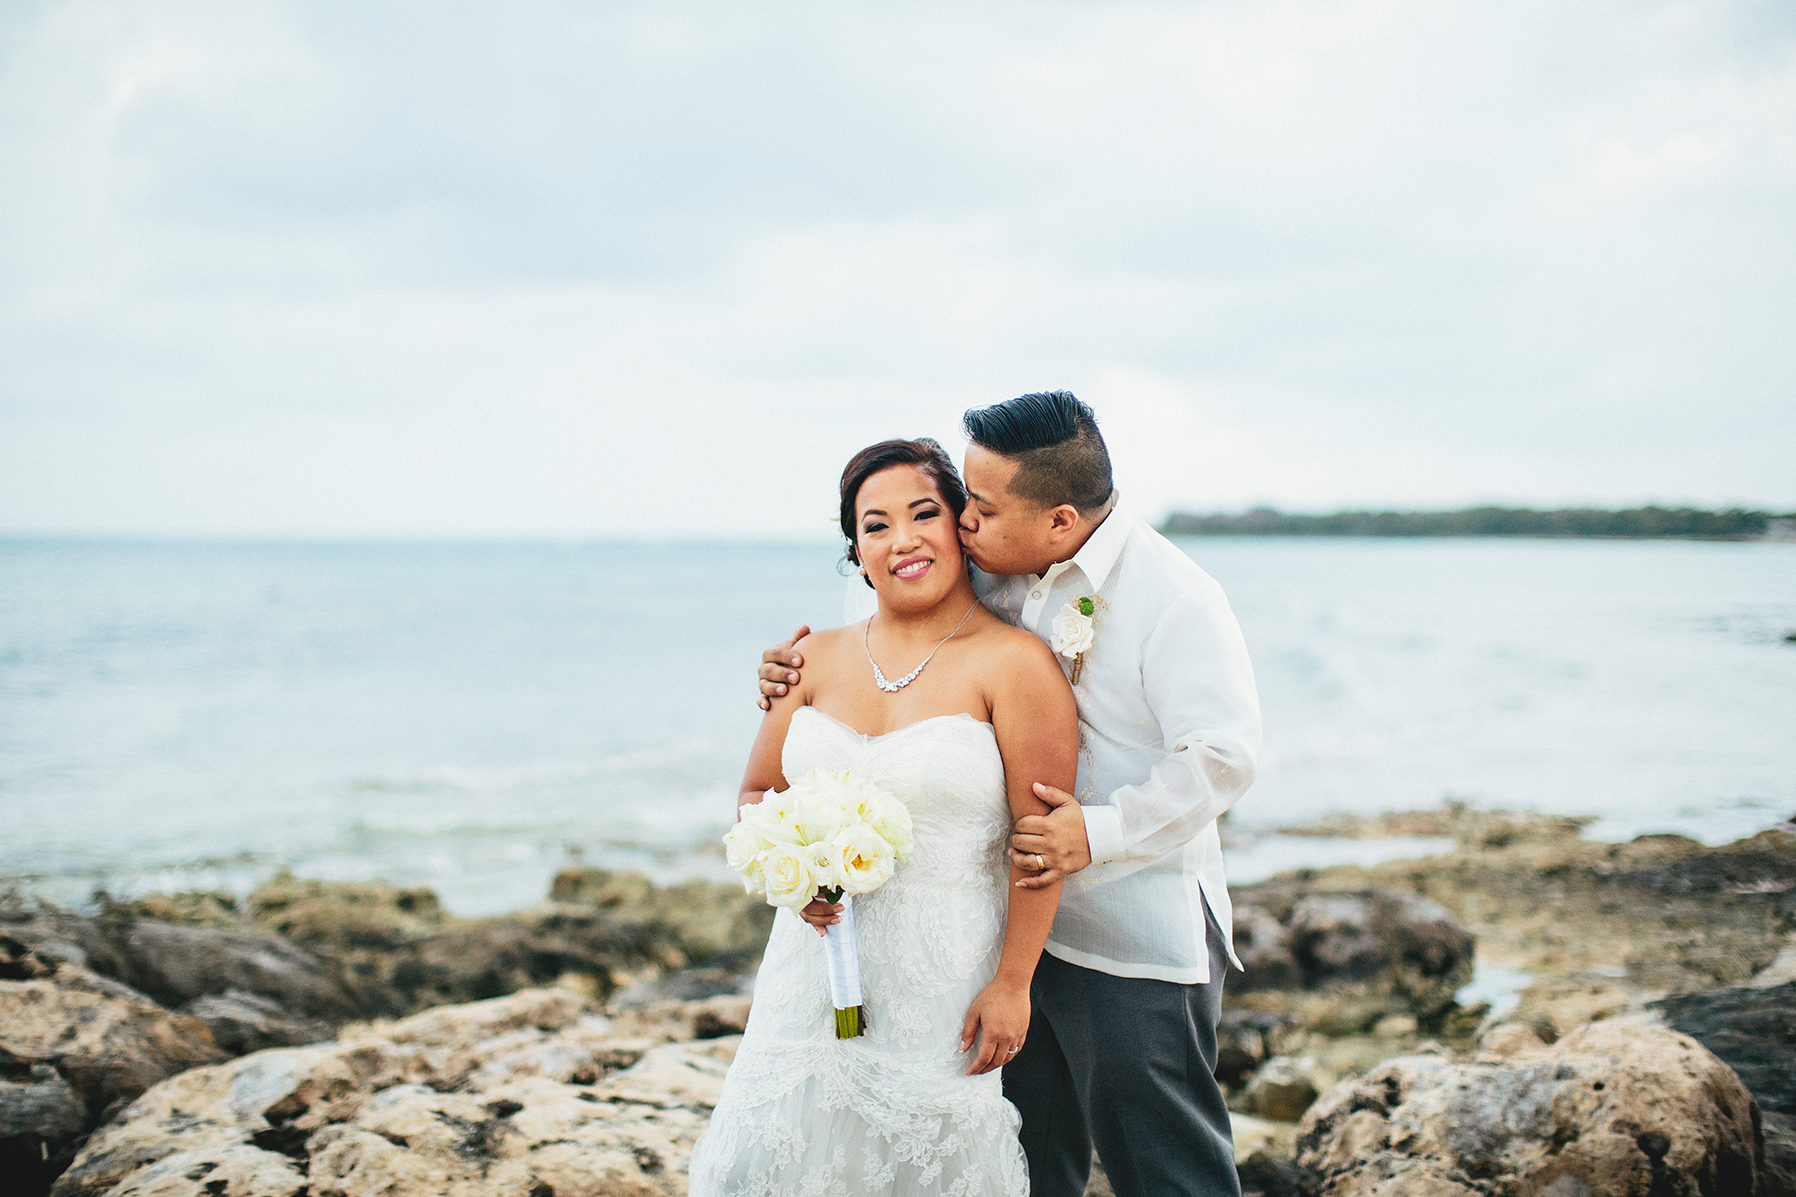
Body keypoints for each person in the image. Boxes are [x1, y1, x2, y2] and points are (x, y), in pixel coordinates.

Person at [757, 393, 1261, 1197]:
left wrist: (1095, 833)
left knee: (1164, 1163)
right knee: (1028, 1163)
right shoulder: (990, 567)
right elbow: (897, 646)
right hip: (995, 931)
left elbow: (1225, 756)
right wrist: (787, 678)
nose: (961, 525)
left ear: (1059, 521)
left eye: (979, 509)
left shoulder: (1176, 595)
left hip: (1126, 927)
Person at [690, 437, 1078, 1197]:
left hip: (940, 981)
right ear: (856, 550)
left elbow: (1040, 844)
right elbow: (757, 795)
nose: (902, 539)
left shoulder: (1016, 664)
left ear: (961, 523)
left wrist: (1013, 983)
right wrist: (789, 877)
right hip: (807, 974)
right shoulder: (810, 659)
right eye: (876, 525)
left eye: (923, 513)